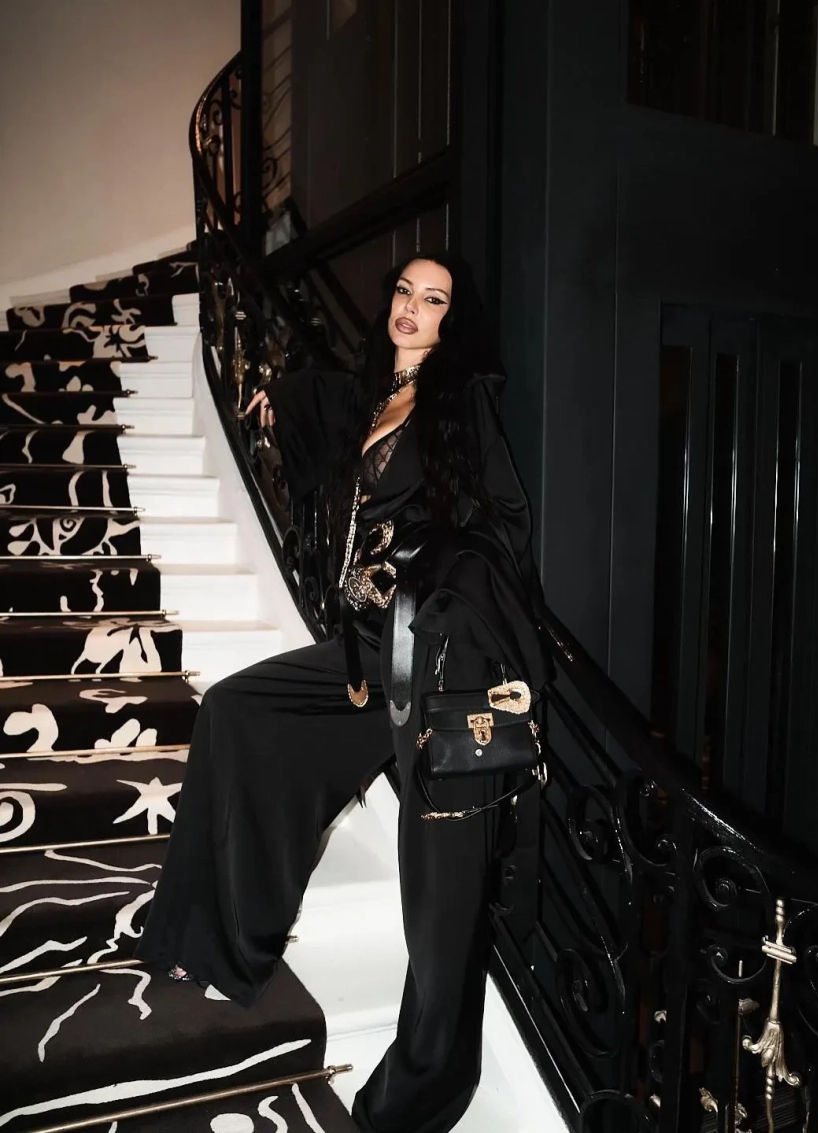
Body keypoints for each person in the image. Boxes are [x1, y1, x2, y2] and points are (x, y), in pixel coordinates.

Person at [135, 252, 550, 1133]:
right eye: (403, 291)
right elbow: (324, 409)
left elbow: (505, 526)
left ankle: (412, 1100)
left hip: (433, 663)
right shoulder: (373, 393)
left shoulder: (461, 401)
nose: (411, 308)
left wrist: (423, 578)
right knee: (236, 712)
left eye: (432, 300)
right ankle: (212, 941)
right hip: (362, 655)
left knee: (439, 897)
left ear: (451, 320)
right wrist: (278, 396)